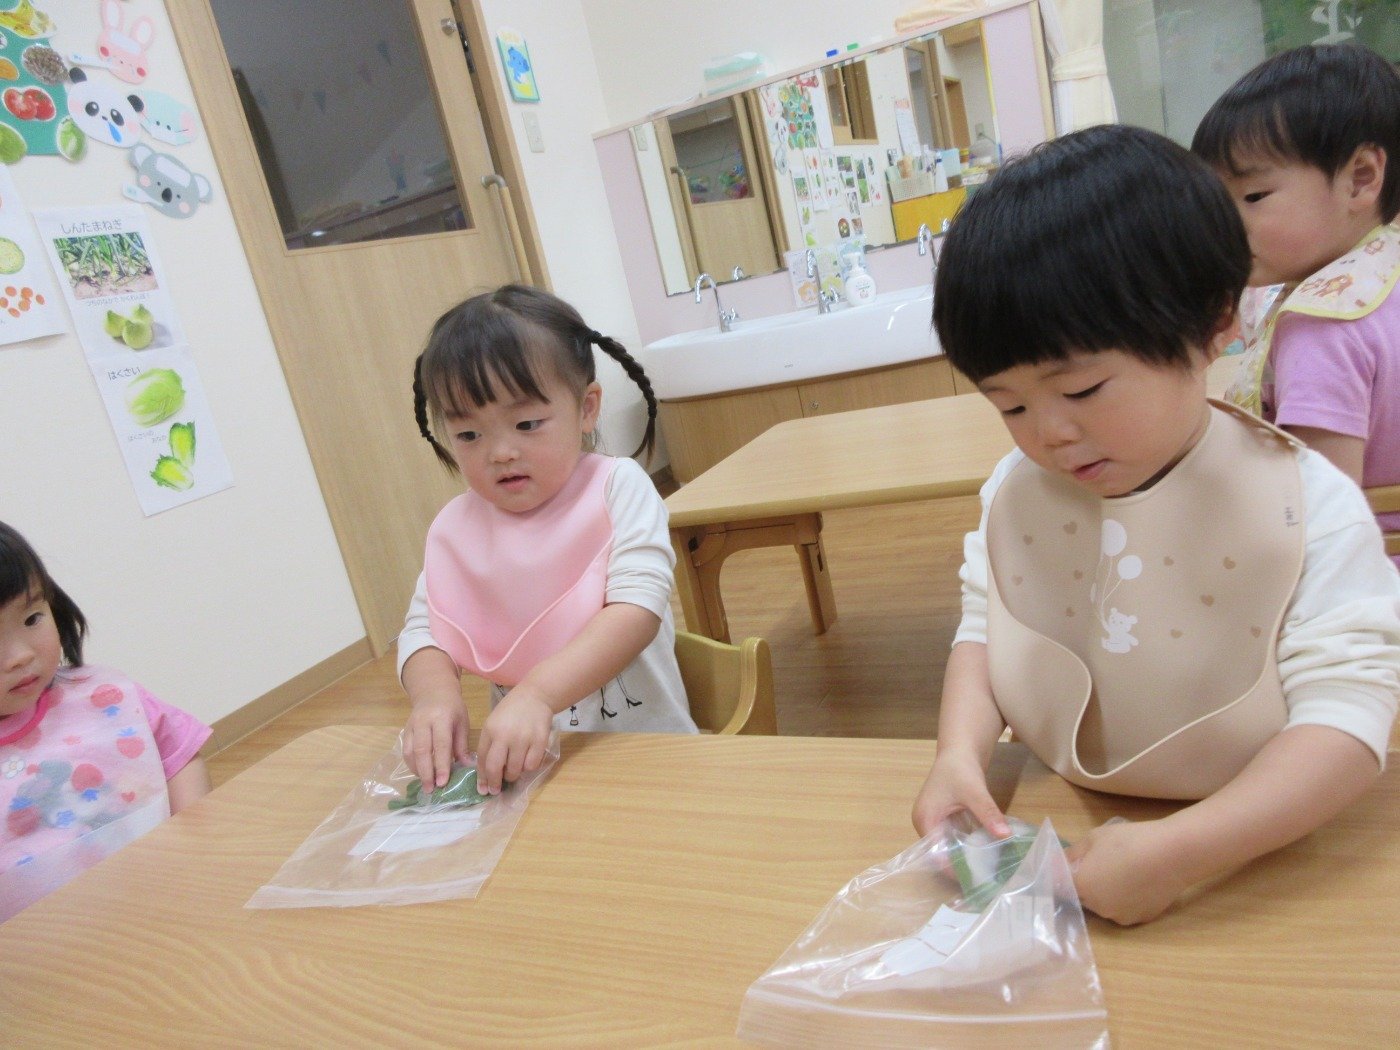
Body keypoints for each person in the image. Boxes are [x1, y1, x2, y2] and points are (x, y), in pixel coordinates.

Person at [910, 125, 1400, 925]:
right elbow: (988, 625)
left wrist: (1182, 853)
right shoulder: (1017, 489)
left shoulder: (1309, 505)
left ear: (1214, 324)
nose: (1050, 435)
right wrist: (957, 756)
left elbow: (1348, 725)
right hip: (1069, 812)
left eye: (1082, 390)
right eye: (1010, 406)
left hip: (1254, 849)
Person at [399, 285, 696, 797]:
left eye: (526, 423)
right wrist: (434, 696)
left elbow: (637, 608)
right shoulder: (460, 527)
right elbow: (425, 629)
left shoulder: (616, 488)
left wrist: (536, 694)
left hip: (646, 758)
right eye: (469, 435)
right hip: (529, 771)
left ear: (586, 409)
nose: (500, 452)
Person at [1192, 43, 1400, 561]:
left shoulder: (1321, 328)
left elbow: (1319, 516)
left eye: (1253, 197)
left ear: (1361, 178)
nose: (1225, 227)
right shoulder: (1383, 276)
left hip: (1366, 584)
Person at [1, 521, 211, 921]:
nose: (21, 655)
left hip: (173, 898)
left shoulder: (104, 696)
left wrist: (193, 841)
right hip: (47, 947)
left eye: (31, 619)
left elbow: (181, 756)